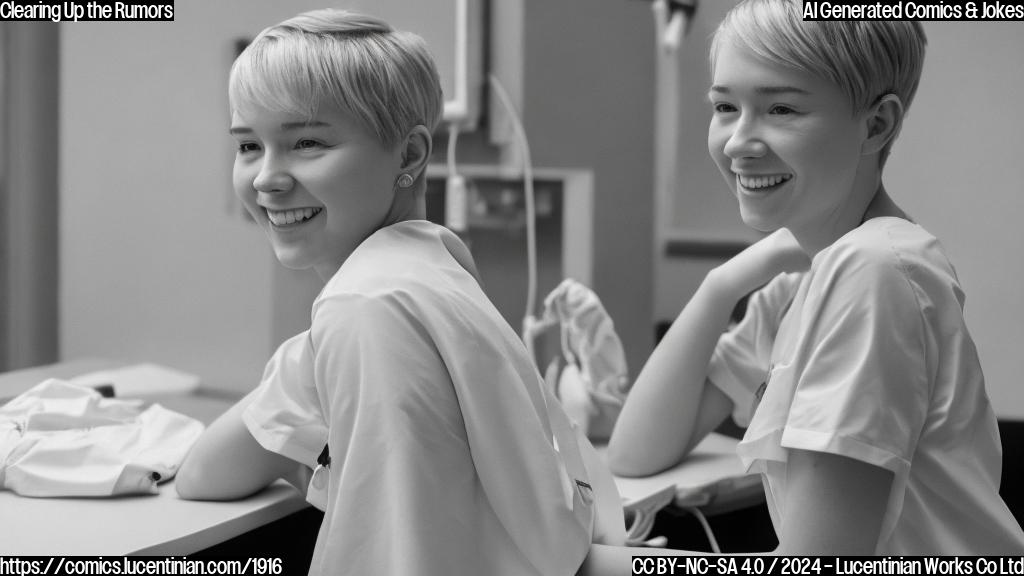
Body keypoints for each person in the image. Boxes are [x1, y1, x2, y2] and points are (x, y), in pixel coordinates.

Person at [175, 9, 606, 575]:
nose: (265, 178)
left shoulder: (364, 305)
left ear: (409, 155)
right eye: (249, 146)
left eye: (306, 143)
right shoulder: (433, 262)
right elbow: (207, 473)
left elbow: (397, 556)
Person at [609, 0, 1024, 555]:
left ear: (877, 124)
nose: (737, 142)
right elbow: (636, 453)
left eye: (781, 109)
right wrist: (722, 285)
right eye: (725, 106)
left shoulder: (873, 273)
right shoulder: (801, 280)